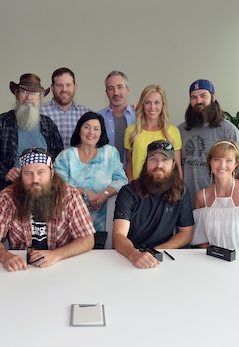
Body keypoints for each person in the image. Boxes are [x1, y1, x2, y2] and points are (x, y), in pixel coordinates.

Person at [0, 147, 95, 271]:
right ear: (20, 175)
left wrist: (55, 255)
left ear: (51, 173)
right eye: (28, 173)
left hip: (61, 266)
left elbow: (87, 240)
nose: (35, 180)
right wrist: (5, 256)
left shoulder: (70, 195)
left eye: (41, 172)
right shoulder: (7, 197)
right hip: (22, 268)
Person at [113, 140, 194, 269]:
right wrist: (134, 254)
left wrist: (158, 250)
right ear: (146, 163)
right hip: (129, 258)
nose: (159, 165)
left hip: (163, 257)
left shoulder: (181, 191)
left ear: (173, 164)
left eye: (165, 159)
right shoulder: (128, 192)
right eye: (153, 159)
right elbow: (118, 235)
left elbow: (186, 233)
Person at [54, 112, 128, 231]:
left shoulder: (110, 152)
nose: (91, 133)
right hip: (71, 221)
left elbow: (121, 180)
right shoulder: (66, 155)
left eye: (96, 129)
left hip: (105, 221)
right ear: (79, 130)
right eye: (87, 127)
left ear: (101, 132)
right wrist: (85, 192)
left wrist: (103, 195)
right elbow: (59, 186)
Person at [0, 73, 64, 191]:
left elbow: (59, 157)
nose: (29, 97)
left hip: (44, 190)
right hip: (13, 187)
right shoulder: (3, 121)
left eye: (34, 93)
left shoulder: (48, 124)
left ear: (40, 98)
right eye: (24, 92)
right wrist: (5, 173)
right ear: (16, 95)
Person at [177, 79, 239, 206]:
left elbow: (238, 168)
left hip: (217, 203)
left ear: (213, 98)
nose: (198, 101)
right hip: (185, 202)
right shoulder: (181, 130)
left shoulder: (228, 131)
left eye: (203, 96)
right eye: (194, 97)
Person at [125, 84, 182, 181]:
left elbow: (177, 166)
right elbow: (129, 164)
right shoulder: (132, 131)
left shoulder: (173, 132)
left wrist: (179, 192)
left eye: (157, 102)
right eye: (148, 102)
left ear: (163, 105)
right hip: (138, 190)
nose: (152, 107)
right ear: (142, 104)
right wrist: (131, 188)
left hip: (165, 190)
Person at [40, 67, 91, 148]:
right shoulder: (40, 112)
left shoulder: (86, 113)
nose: (64, 89)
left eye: (68, 85)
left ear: (75, 86)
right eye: (59, 85)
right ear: (52, 88)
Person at [98, 71, 136, 163]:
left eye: (120, 87)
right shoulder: (98, 118)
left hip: (134, 174)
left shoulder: (139, 116)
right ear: (106, 92)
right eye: (111, 88)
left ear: (127, 89)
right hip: (106, 175)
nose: (116, 92)